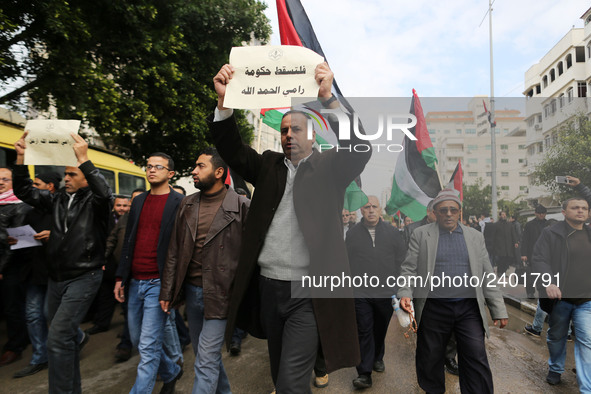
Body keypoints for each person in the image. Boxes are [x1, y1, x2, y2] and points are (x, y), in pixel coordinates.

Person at [211, 62, 370, 393]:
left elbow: (361, 148)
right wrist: (224, 104)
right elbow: (232, 151)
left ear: (312, 136)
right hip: (269, 287)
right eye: (284, 130)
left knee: (291, 383)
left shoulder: (330, 168)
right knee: (279, 372)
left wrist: (329, 100)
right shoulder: (268, 164)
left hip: (307, 294)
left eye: (296, 129)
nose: (288, 135)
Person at [13, 132, 113, 393]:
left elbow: (104, 191)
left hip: (84, 275)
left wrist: (84, 159)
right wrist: (22, 158)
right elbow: (23, 190)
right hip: (56, 278)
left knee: (56, 339)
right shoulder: (55, 199)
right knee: (64, 339)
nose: (65, 178)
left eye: (72, 174)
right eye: (65, 174)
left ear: (85, 179)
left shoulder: (96, 202)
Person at [399, 189, 508, 394]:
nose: (448, 214)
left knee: (475, 354)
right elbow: (408, 269)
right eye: (443, 210)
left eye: (452, 210)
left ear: (459, 212)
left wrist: (498, 309)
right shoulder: (421, 235)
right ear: (435, 212)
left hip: (468, 309)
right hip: (433, 307)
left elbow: (486, 274)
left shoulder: (474, 237)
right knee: (430, 357)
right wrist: (405, 292)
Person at [160, 147, 249, 393]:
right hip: (192, 294)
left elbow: (252, 257)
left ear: (219, 172)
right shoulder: (187, 204)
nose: (194, 170)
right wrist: (167, 291)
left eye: (201, 166)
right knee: (205, 355)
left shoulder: (242, 207)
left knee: (205, 360)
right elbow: (174, 252)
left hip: (222, 296)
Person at [114, 153, 183, 394]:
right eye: (149, 166)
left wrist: (172, 285)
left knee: (148, 346)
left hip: (158, 282)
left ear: (170, 173)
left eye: (158, 167)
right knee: (137, 340)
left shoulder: (178, 202)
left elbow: (180, 246)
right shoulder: (139, 200)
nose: (152, 170)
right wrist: (121, 277)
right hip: (135, 281)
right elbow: (129, 242)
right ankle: (171, 371)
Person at [345, 196, 407, 388]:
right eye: (367, 207)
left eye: (374, 206)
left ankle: (378, 355)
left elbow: (401, 261)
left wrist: (400, 287)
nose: (371, 210)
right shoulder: (352, 234)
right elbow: (347, 261)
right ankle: (364, 373)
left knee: (379, 329)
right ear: (361, 211)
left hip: (386, 292)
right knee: (364, 329)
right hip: (360, 292)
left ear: (380, 210)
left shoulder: (393, 232)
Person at [532, 196, 591, 389]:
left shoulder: (590, 233)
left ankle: (586, 388)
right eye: (575, 207)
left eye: (584, 208)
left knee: (586, 341)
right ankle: (556, 368)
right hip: (560, 298)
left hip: (586, 300)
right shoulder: (551, 233)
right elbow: (540, 259)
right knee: (557, 335)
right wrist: (549, 282)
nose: (580, 211)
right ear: (564, 212)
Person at [12, 171, 61, 378]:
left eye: (37, 184)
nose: (33, 188)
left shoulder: (61, 208)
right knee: (33, 316)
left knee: (53, 315)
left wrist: (55, 236)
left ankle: (74, 340)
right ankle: (40, 357)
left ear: (50, 187)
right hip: (33, 272)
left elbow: (76, 236)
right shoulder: (30, 212)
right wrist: (17, 241)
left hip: (54, 271)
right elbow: (27, 238)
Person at [105, 188, 144, 362]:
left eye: (139, 200)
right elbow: (112, 240)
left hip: (147, 275)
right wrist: (102, 260)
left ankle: (180, 339)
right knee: (130, 311)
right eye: (132, 201)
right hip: (127, 273)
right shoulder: (124, 219)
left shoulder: (150, 219)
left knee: (164, 318)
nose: (134, 205)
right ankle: (125, 345)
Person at [0, 167, 32, 367]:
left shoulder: (20, 206)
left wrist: (2, 268)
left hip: (10, 266)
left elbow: (19, 242)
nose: (1, 182)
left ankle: (16, 346)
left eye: (5, 179)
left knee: (13, 307)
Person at [86, 195, 131, 335]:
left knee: (126, 299)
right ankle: (101, 323)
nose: (122, 208)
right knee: (105, 296)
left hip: (124, 265)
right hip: (108, 265)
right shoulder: (105, 219)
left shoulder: (131, 219)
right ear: (113, 206)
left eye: (125, 206)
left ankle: (128, 331)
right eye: (119, 205)